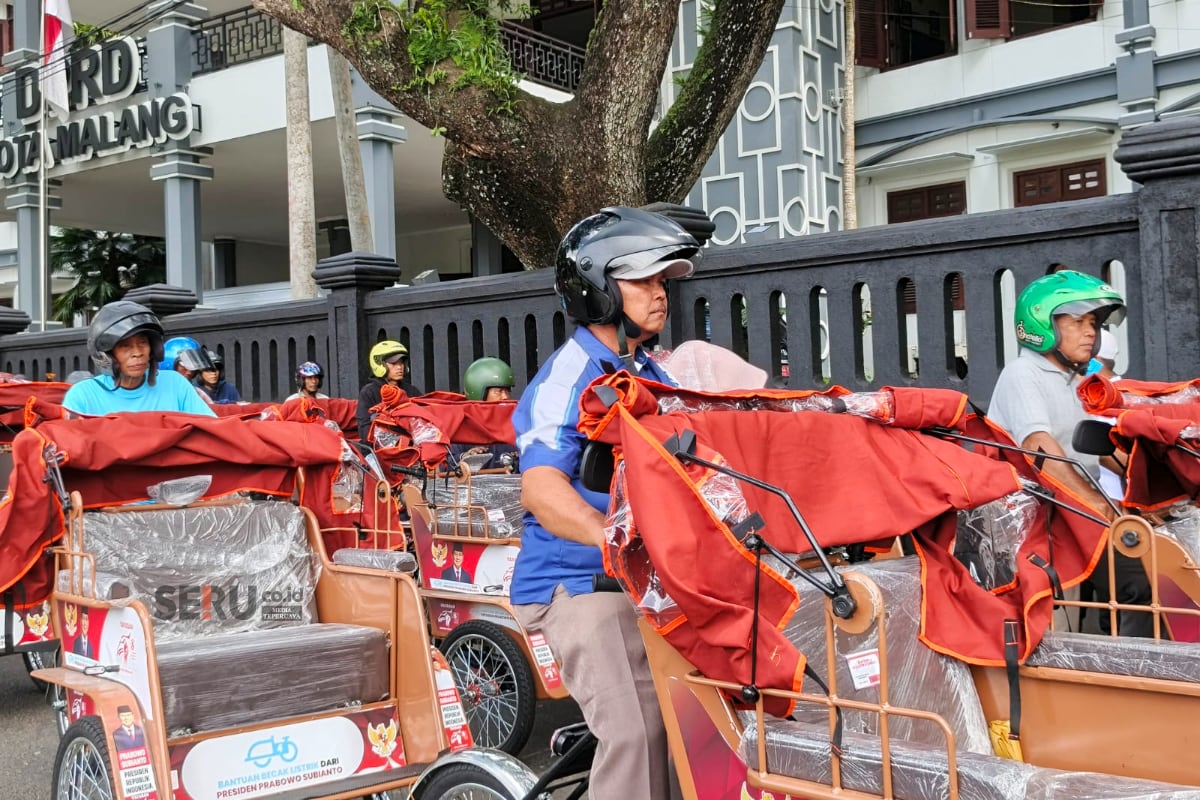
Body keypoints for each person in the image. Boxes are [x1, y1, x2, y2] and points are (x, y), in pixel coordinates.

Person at [512, 206, 699, 799]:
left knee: (700, 722)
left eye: (664, 281)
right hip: (579, 584)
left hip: (654, 578)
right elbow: (542, 490)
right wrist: (613, 538)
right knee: (638, 730)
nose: (660, 294)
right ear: (598, 287)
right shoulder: (568, 377)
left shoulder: (647, 370)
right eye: (644, 280)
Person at [988, 270, 1152, 637]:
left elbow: (1101, 446)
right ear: (1041, 324)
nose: (1090, 332)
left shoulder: (1075, 382)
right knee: (1132, 588)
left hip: (1073, 514)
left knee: (1147, 579)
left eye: (1093, 322)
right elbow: (1044, 454)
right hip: (1038, 521)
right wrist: (1105, 509)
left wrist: (1153, 490)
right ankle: (1135, 682)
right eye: (1078, 321)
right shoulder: (1023, 374)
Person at [63, 302, 217, 417]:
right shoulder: (83, 395)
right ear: (107, 354)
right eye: (125, 346)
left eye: (143, 343)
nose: (137, 353)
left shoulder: (175, 384)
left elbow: (211, 429)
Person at [357, 341, 422, 442]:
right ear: (379, 364)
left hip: (413, 447)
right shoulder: (369, 392)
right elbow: (365, 431)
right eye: (393, 363)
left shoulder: (411, 391)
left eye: (401, 363)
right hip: (377, 452)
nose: (400, 367)